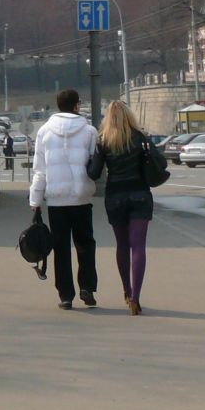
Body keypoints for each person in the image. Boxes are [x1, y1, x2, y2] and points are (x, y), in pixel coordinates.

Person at [28, 88, 99, 309]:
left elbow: (40, 170)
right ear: (77, 105)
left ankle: (66, 296)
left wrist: (35, 200)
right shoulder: (89, 131)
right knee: (85, 243)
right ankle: (87, 287)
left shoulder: (44, 132)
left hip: (57, 201)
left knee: (61, 247)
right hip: (81, 197)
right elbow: (94, 165)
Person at [87, 99, 154, 315]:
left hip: (115, 196)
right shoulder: (141, 137)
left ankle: (127, 291)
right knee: (139, 246)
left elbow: (94, 173)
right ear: (129, 115)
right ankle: (136, 297)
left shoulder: (104, 140)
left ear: (109, 117)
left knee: (122, 246)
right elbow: (156, 162)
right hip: (140, 195)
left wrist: (87, 161)